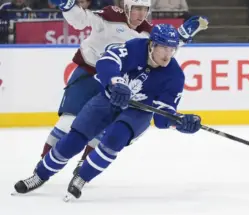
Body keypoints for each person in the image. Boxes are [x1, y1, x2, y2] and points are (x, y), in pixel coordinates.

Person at [14, 24, 202, 201]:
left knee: (115, 138)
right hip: (110, 99)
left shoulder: (175, 74)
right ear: (152, 44)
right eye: (164, 48)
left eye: (172, 49)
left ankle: (82, 178)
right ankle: (39, 176)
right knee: (75, 139)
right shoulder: (135, 47)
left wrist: (178, 122)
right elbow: (107, 61)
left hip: (137, 112)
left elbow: (162, 117)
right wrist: (115, 82)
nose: (168, 54)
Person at [34, 0, 208, 175]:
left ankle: (83, 165)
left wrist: (180, 37)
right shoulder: (110, 16)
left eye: (145, 10)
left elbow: (162, 49)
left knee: (101, 128)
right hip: (89, 74)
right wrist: (68, 6)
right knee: (67, 123)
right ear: (127, 8)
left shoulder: (147, 32)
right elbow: (81, 19)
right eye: (137, 9)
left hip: (119, 83)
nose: (141, 15)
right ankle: (44, 163)